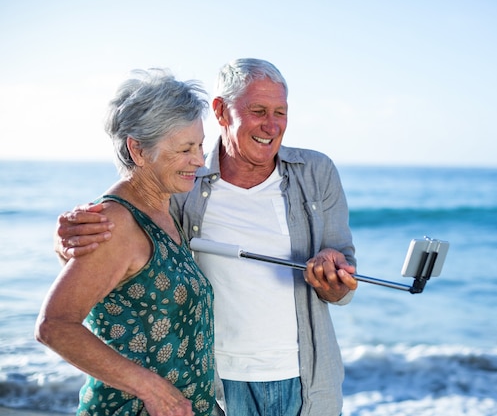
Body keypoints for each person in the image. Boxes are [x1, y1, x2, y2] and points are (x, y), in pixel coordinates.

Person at [55, 58, 358, 416]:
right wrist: (69, 241)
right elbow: (124, 222)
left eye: (281, 112)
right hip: (213, 388)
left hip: (302, 381)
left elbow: (342, 279)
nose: (272, 125)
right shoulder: (181, 184)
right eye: (258, 110)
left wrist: (335, 279)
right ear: (221, 112)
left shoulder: (316, 172)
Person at [37, 68, 221, 416]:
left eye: (200, 145)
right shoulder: (115, 223)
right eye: (185, 149)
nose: (199, 160)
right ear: (137, 149)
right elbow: (55, 326)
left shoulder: (166, 211)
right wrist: (151, 389)